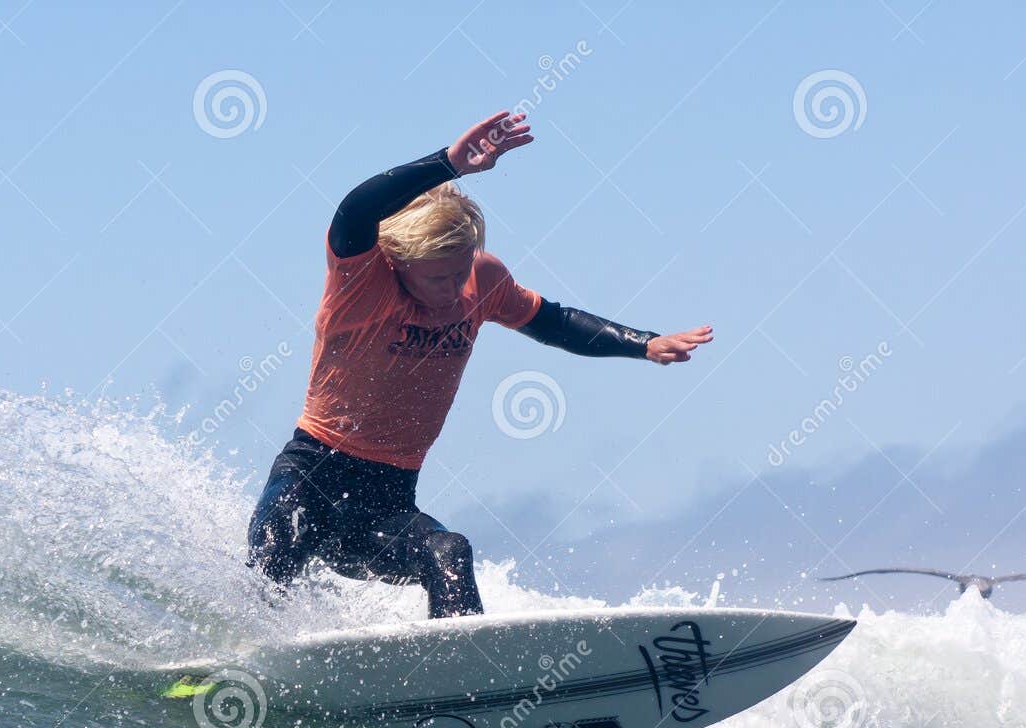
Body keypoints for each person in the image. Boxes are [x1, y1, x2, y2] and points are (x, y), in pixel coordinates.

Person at [247, 110, 712, 617]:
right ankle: (225, 675)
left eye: (461, 270)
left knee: (450, 554)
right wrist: (448, 163)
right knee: (272, 571)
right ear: (399, 262)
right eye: (438, 278)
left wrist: (642, 343)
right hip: (312, 471)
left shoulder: (482, 282)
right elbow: (355, 208)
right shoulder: (362, 279)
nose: (454, 290)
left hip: (386, 493)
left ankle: (461, 691)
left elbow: (552, 321)